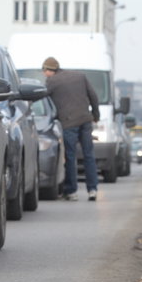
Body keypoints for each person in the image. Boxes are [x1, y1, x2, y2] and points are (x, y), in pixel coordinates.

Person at [42, 56, 100, 201]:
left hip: (69, 124)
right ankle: (92, 189)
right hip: (85, 120)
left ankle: (71, 191)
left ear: (49, 70)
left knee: (70, 157)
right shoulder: (79, 76)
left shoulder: (52, 82)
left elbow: (42, 98)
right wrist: (95, 115)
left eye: (44, 71)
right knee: (89, 155)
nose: (44, 74)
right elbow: (93, 96)